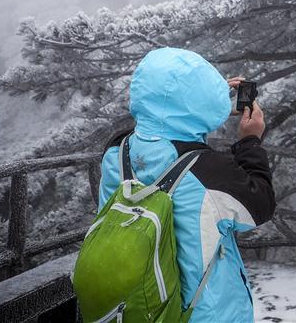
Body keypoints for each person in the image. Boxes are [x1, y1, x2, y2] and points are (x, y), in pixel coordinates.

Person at [98, 47, 276, 322]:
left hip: (133, 307)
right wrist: (249, 142)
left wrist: (205, 99)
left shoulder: (115, 152)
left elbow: (157, 121)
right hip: (199, 313)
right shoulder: (209, 172)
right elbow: (260, 205)